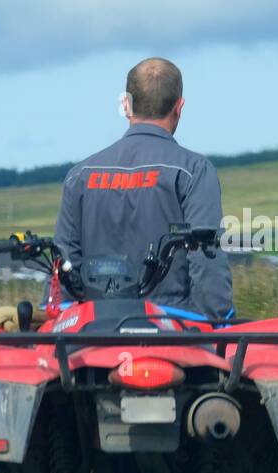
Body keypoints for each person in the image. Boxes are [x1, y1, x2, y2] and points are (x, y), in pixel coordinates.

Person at [54, 57, 233, 319]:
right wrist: (216, 323)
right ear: (179, 107)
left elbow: (63, 271)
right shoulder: (193, 171)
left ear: (126, 105)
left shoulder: (79, 176)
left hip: (93, 338)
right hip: (171, 337)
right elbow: (207, 263)